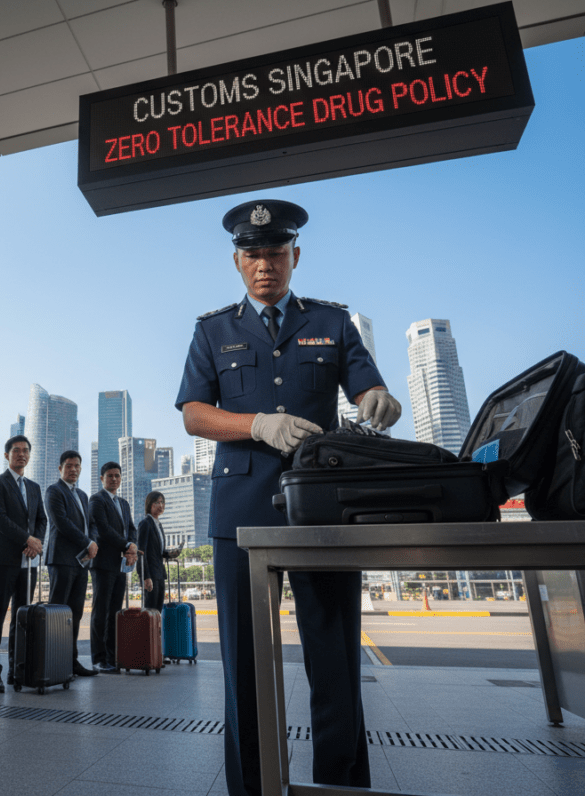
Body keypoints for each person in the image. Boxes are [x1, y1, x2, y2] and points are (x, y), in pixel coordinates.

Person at [175, 198, 402, 794]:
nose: (264, 265)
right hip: (241, 516)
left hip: (320, 512)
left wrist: (381, 398)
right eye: (253, 255)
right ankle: (251, 789)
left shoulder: (330, 322)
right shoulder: (212, 330)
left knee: (335, 664)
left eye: (275, 253)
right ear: (237, 262)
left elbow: (368, 388)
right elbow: (195, 416)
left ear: (295, 255)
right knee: (244, 669)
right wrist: (256, 425)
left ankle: (341, 785)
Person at [0, 435, 46, 692]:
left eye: (25, 451)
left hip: (28, 563)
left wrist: (37, 541)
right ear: (6, 455)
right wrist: (28, 539)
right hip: (4, 560)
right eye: (16, 450)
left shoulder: (34, 487)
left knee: (22, 617)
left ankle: (17, 670)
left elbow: (42, 519)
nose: (21, 454)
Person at [43, 450, 98, 677]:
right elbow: (62, 523)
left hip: (81, 562)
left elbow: (90, 523)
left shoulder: (83, 495)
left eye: (77, 466)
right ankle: (52, 661)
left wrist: (92, 541)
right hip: (61, 560)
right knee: (57, 612)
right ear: (60, 468)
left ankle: (71, 662)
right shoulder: (53, 491)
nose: (73, 469)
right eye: (69, 466)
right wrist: (87, 542)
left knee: (75, 614)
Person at [87, 461, 137, 673]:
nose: (114, 479)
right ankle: (99, 659)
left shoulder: (124, 503)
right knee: (101, 611)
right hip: (103, 563)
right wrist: (127, 545)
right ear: (102, 478)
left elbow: (132, 529)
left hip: (120, 564)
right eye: (110, 476)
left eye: (117, 475)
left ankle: (112, 656)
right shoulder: (96, 500)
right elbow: (104, 530)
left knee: (115, 611)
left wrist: (131, 548)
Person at [137, 491, 169, 613]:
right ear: (150, 504)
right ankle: (147, 633)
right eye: (157, 502)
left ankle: (156, 633)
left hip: (160, 573)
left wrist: (169, 553)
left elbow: (157, 550)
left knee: (158, 611)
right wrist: (145, 577)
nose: (160, 505)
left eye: (162, 502)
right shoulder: (145, 524)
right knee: (150, 611)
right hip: (150, 575)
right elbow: (141, 552)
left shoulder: (158, 525)